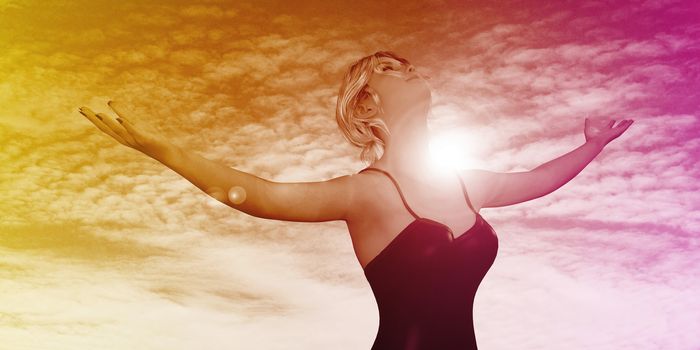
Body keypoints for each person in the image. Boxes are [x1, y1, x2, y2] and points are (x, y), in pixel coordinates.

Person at [78, 50, 634, 349]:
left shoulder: (466, 182)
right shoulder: (366, 192)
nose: (409, 70)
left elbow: (537, 179)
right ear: (366, 109)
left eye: (407, 65)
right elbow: (260, 195)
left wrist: (593, 145)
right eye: (389, 71)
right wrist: (157, 148)